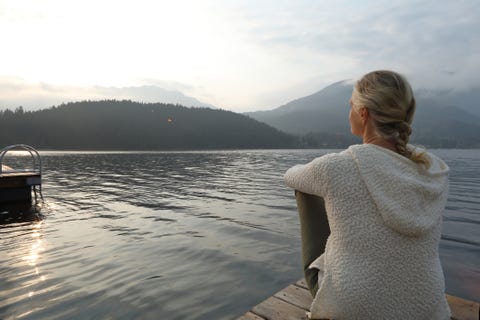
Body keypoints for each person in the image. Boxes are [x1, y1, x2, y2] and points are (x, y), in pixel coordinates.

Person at [284, 70, 451, 319]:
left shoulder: (336, 167)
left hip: (353, 306)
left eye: (351, 106)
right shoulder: (435, 170)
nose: (349, 112)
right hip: (426, 305)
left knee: (305, 187)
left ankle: (336, 264)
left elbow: (290, 175)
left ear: (364, 113)